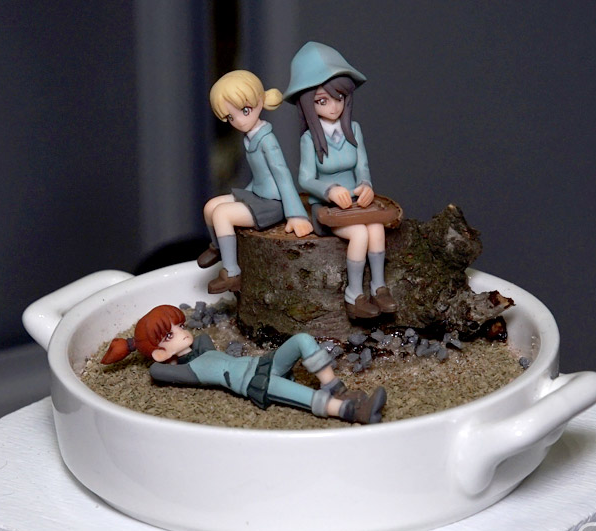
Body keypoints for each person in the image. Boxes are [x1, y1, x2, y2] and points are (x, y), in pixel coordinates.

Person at [101, 305, 387, 424]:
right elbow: (156, 370)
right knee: (301, 395)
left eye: (179, 326)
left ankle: (335, 387)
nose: (182, 332)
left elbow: (202, 340)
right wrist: (141, 347)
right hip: (255, 383)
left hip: (262, 363)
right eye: (170, 335)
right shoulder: (190, 371)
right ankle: (352, 411)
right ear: (160, 354)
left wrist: (173, 346)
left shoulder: (201, 351)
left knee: (301, 339)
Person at [283, 42, 397, 320]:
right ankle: (354, 295)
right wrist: (330, 189)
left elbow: (363, 167)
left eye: (340, 98)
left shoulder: (353, 130)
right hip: (327, 210)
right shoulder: (309, 139)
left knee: (376, 229)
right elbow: (305, 178)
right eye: (322, 101)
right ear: (308, 103)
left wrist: (366, 186)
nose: (333, 107)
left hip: (356, 204)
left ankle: (379, 287)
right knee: (360, 234)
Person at [198, 70, 313, 294]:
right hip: (257, 194)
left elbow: (283, 176)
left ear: (260, 101)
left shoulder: (267, 140)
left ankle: (231, 273)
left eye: (245, 111)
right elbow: (261, 176)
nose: (240, 121)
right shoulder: (249, 137)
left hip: (272, 204)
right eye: (231, 117)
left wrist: (296, 214)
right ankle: (219, 247)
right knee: (211, 207)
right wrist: (245, 195)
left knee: (222, 214)